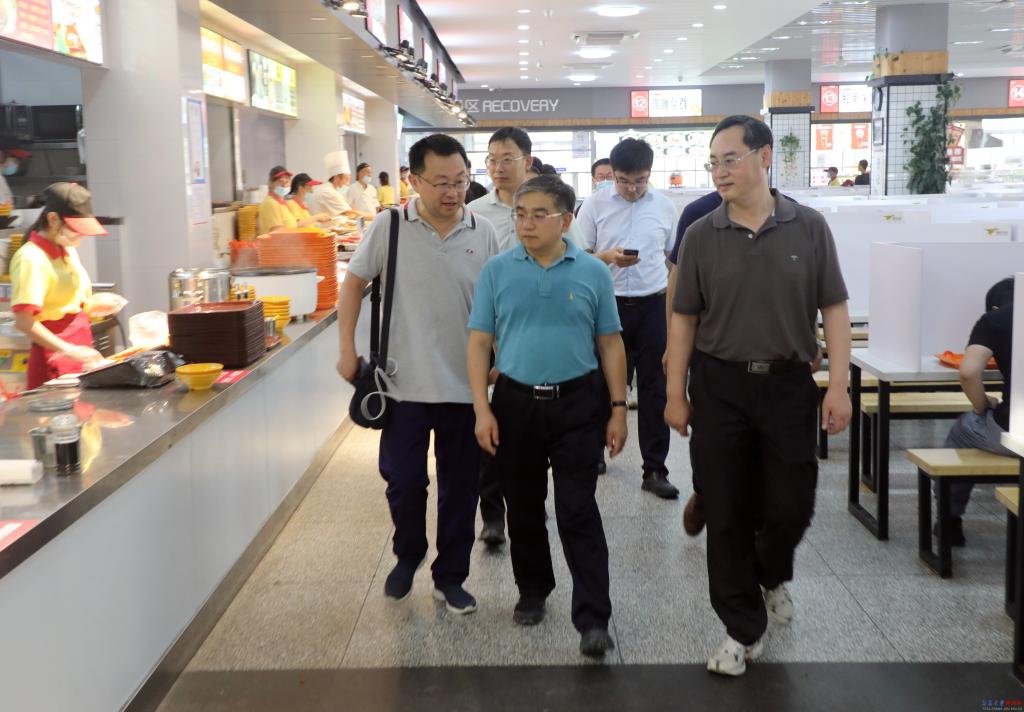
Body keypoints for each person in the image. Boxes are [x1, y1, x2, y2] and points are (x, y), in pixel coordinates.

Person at [665, 115, 852, 676]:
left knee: (791, 505)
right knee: (727, 510)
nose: (720, 171)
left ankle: (770, 574)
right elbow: (683, 319)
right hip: (719, 385)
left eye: (731, 159)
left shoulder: (808, 226)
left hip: (789, 384)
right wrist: (674, 392)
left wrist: (838, 387)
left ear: (764, 157)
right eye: (713, 163)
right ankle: (742, 629)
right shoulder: (701, 233)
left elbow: (834, 308)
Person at [336, 134, 499, 614]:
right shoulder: (389, 226)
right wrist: (346, 349)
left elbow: (498, 301)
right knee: (404, 482)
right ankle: (408, 554)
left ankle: (451, 576)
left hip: (466, 385)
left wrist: (502, 357)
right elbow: (353, 283)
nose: (453, 192)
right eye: (441, 182)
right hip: (401, 384)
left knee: (460, 488)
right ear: (414, 180)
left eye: (461, 181)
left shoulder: (483, 231)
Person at [467, 175, 627, 659]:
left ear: (566, 220)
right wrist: (481, 410)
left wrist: (618, 409)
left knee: (578, 509)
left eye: (540, 214)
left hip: (578, 402)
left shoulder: (592, 272)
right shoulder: (497, 271)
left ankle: (593, 617)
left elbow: (610, 343)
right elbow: (479, 342)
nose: (527, 223)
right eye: (521, 214)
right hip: (515, 403)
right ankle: (533, 590)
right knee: (523, 505)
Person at [468, 127, 587, 547]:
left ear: (528, 160)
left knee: (532, 438)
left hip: (536, 338)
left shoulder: (552, 209)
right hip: (490, 331)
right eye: (491, 159)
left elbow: (577, 265)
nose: (497, 168)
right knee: (491, 429)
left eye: (507, 159)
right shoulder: (476, 212)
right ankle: (492, 513)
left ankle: (529, 501)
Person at [577, 137, 679, 500]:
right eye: (623, 180)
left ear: (649, 173)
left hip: (653, 305)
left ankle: (655, 469)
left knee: (655, 389)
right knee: (599, 385)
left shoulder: (665, 206)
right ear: (612, 174)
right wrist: (609, 257)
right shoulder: (594, 204)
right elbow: (580, 257)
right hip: (608, 305)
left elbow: (673, 259)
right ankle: (595, 453)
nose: (632, 188)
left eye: (640, 180)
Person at [10, 182, 113, 389]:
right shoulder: (31, 258)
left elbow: (63, 302)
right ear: (53, 219)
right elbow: (23, 321)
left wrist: (93, 304)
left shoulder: (67, 250)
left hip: (80, 352)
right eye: (76, 229)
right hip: (52, 359)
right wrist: (68, 350)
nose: (81, 235)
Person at [939, 277, 1015, 546]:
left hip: (1015, 432)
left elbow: (969, 372)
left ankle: (949, 519)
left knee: (963, 429)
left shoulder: (995, 320)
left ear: (993, 307)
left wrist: (982, 406)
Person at [309, 151, 365, 219]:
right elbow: (349, 213)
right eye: (346, 179)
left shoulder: (327, 188)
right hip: (322, 225)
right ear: (336, 178)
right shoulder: (328, 192)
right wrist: (372, 216)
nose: (347, 184)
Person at [258, 166, 298, 234]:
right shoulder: (271, 204)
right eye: (280, 182)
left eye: (287, 182)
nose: (284, 186)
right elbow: (277, 235)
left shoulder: (282, 204)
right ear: (271, 183)